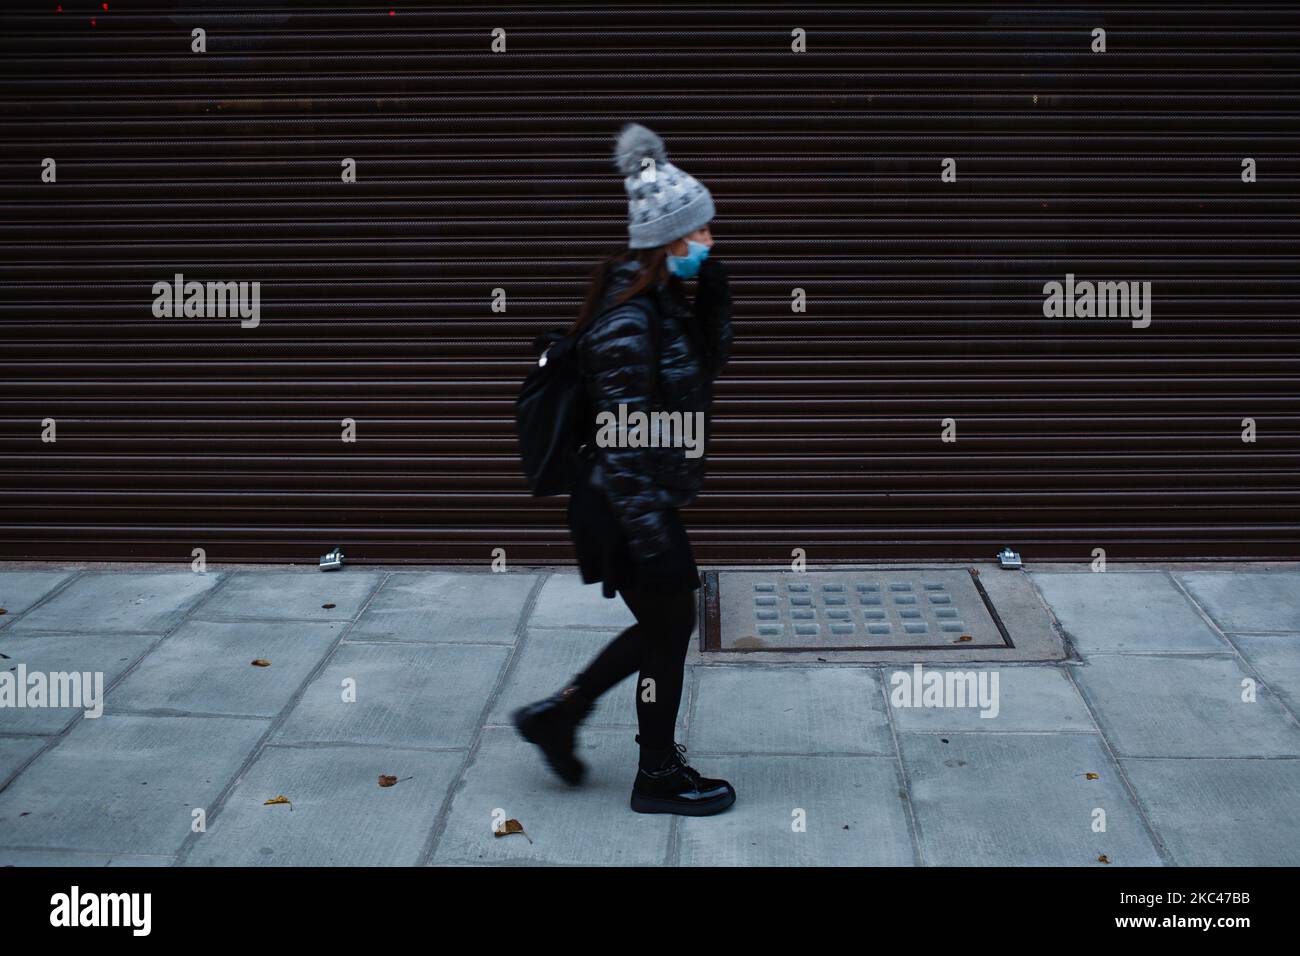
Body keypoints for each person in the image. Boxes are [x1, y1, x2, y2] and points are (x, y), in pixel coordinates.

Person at [513, 123, 736, 815]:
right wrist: (653, 538)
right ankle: (656, 775)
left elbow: (704, 369)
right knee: (668, 631)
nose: (710, 242)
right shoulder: (628, 323)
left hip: (637, 499)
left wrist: (715, 291)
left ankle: (561, 715)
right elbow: (623, 440)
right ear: (668, 241)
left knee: (663, 629)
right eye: (700, 234)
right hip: (622, 502)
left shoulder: (664, 303)